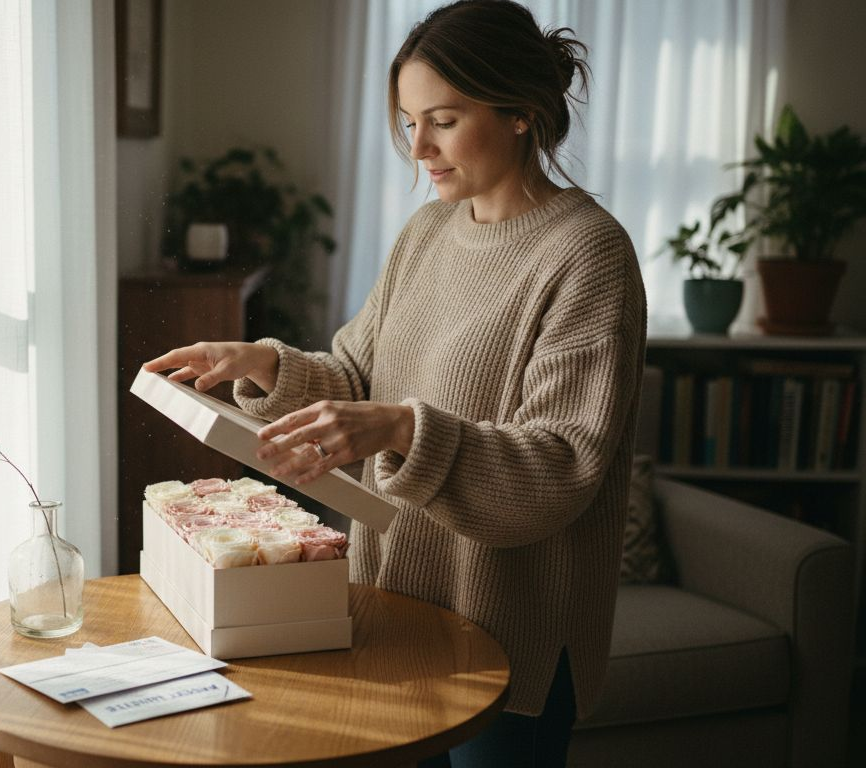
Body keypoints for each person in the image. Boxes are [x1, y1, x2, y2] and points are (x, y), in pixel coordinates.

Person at [143, 1, 646, 765]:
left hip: (511, 640)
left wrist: (406, 429)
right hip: (395, 608)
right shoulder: (428, 232)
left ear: (520, 112)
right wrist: (264, 364)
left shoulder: (587, 253)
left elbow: (560, 468)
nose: (419, 148)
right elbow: (356, 377)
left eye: (443, 120)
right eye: (410, 122)